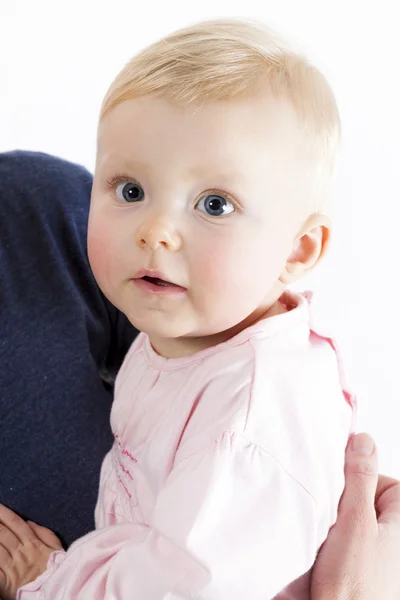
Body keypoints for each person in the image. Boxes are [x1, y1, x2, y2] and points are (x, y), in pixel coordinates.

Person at [0, 18, 396, 600]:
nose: (156, 231)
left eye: (214, 203)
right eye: (131, 190)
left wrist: (48, 582)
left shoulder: (247, 427)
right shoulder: (187, 329)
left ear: (297, 249)